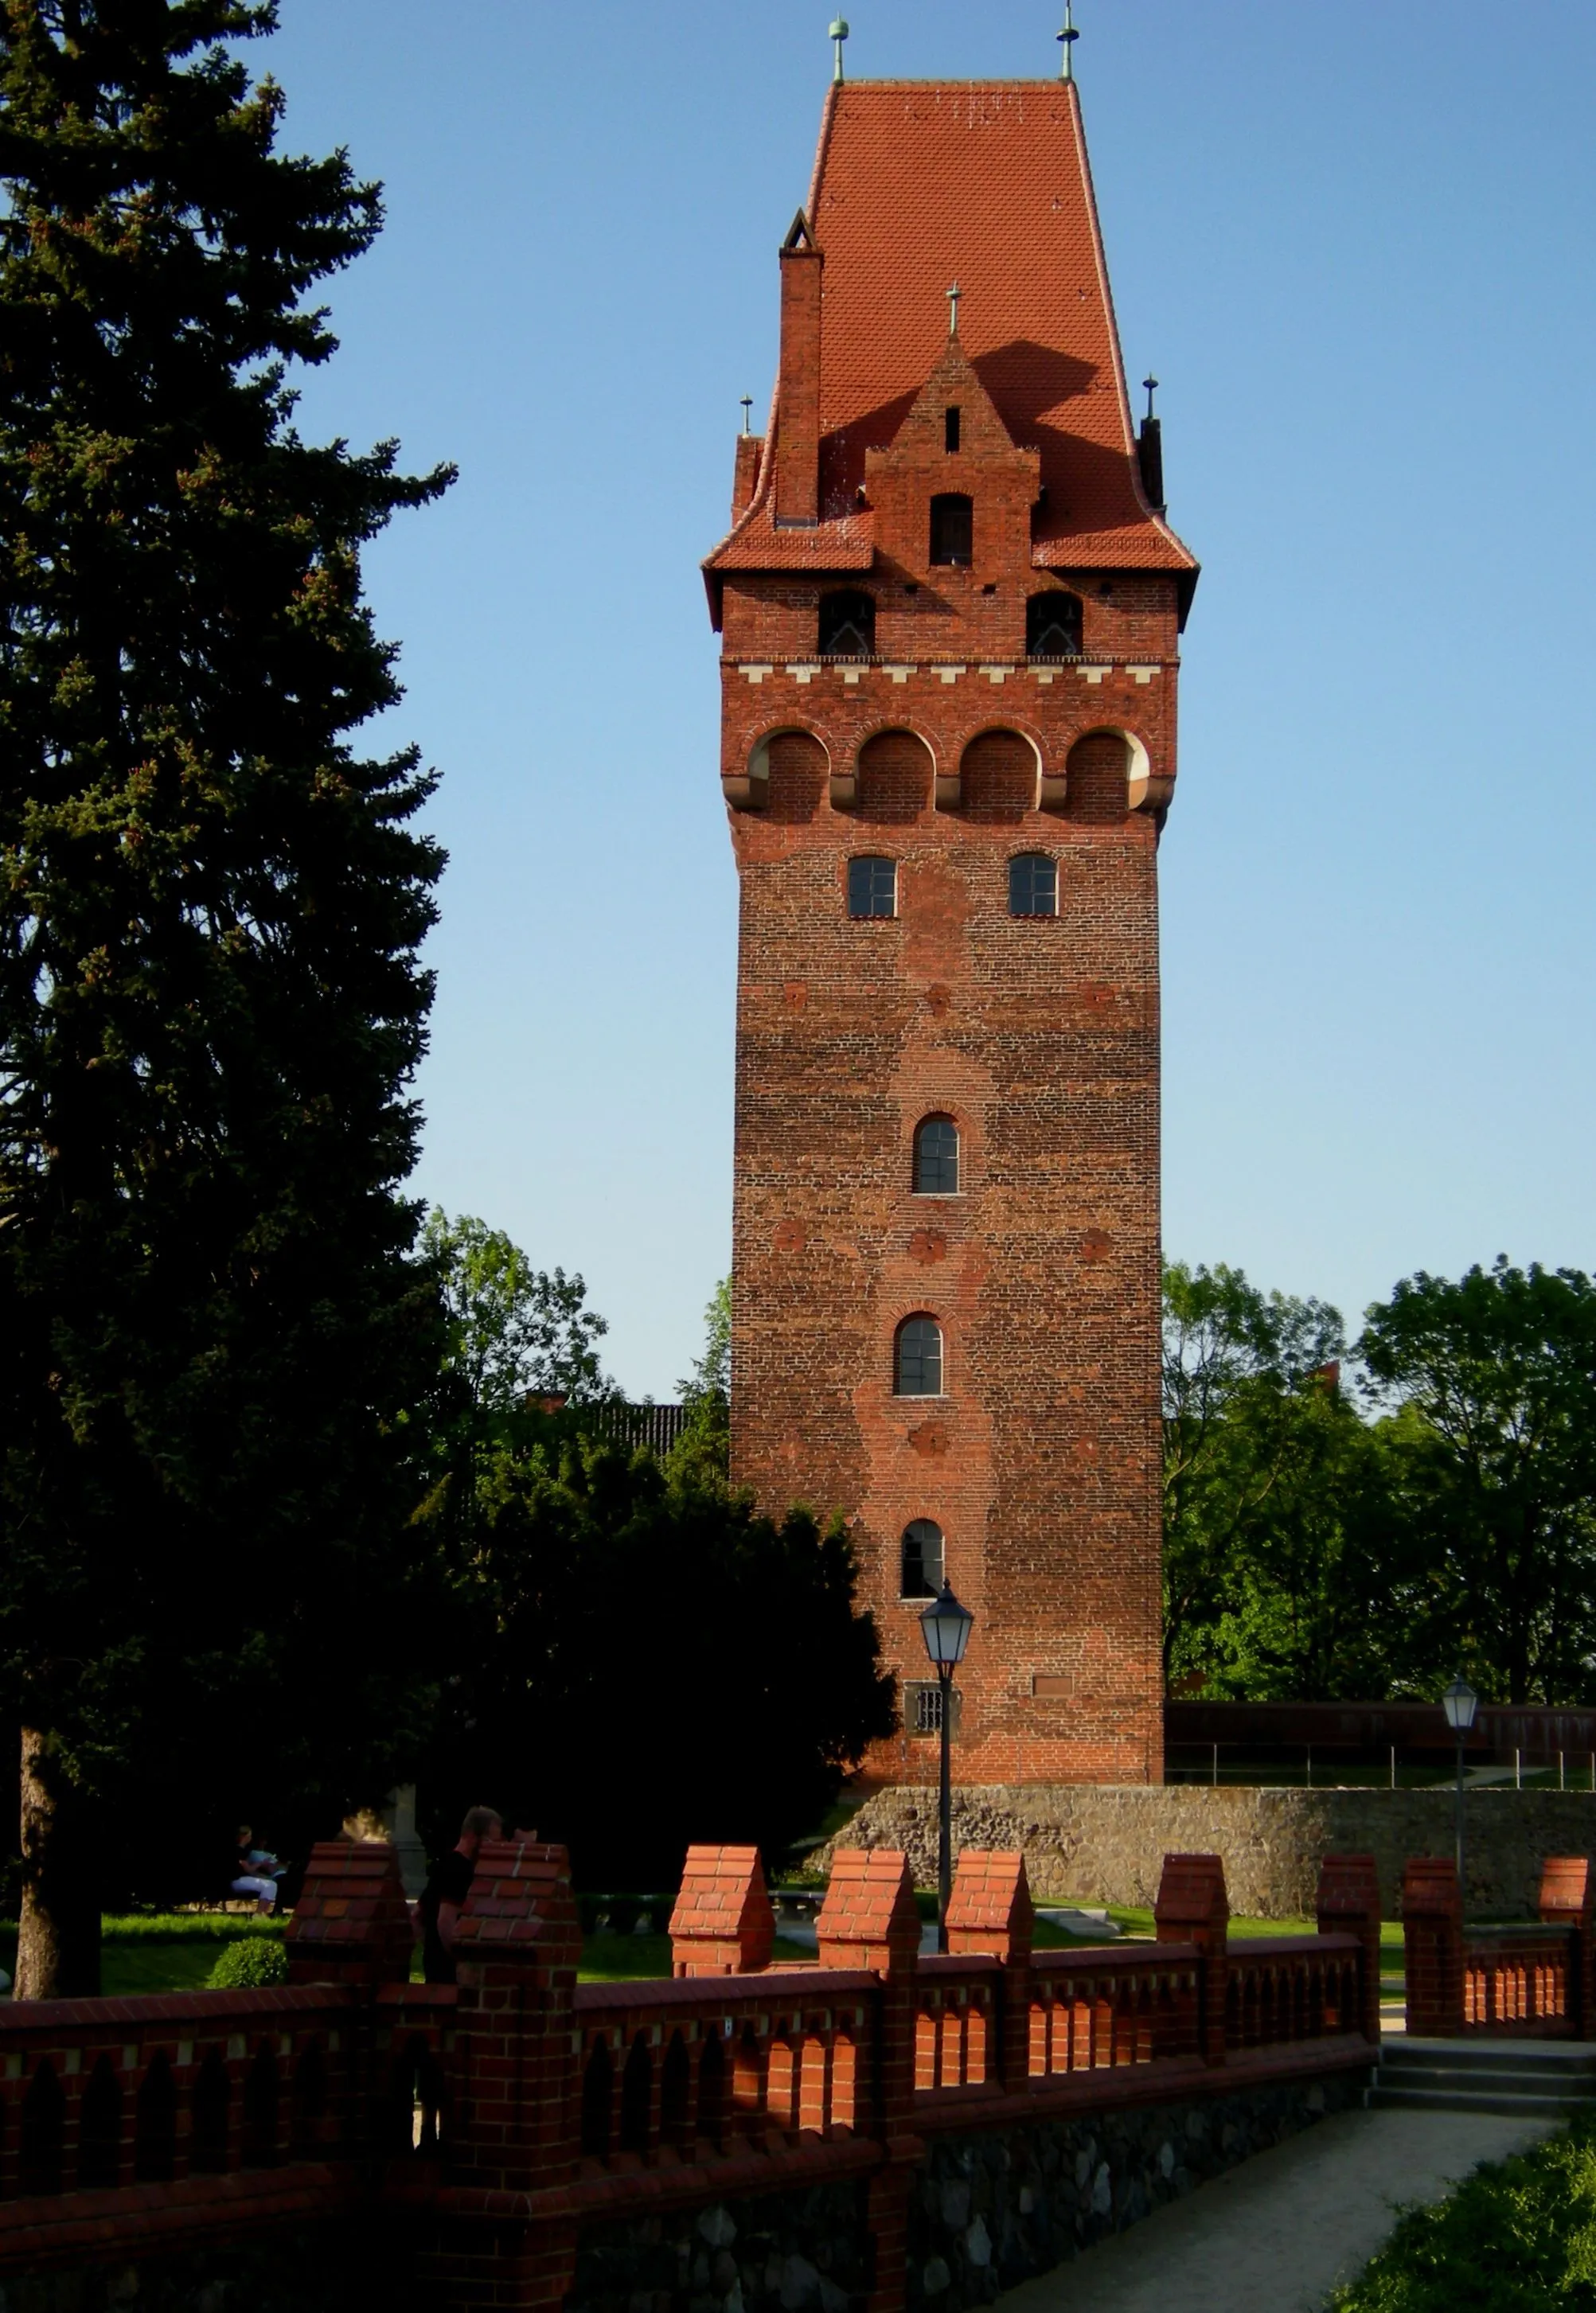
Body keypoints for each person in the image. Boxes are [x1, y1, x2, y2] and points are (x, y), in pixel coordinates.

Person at [417, 1807, 503, 1983]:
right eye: (489, 1842)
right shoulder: (460, 1870)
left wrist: (431, 1951)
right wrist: (459, 1961)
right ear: (472, 1835)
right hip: (452, 1974)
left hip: (435, 1970)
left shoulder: (444, 1865)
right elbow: (445, 1921)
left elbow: (417, 1916)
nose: (492, 1849)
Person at [232, 1825, 287, 1915]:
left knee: (272, 1884)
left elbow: (250, 1872)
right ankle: (259, 1914)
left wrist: (263, 1876)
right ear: (243, 1836)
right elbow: (248, 1870)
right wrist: (261, 1863)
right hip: (236, 1880)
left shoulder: (244, 1851)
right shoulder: (238, 1851)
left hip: (243, 1879)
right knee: (269, 1885)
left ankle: (262, 1914)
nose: (250, 1838)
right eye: (249, 1835)